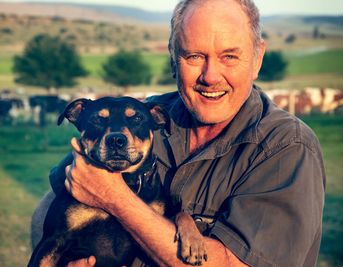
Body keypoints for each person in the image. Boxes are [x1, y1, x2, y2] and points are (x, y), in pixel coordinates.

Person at [31, 0, 326, 266]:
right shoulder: (144, 116)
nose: (210, 77)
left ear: (258, 58)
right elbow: (50, 206)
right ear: (174, 60)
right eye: (194, 56)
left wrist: (116, 199)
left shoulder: (286, 147)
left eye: (229, 57)